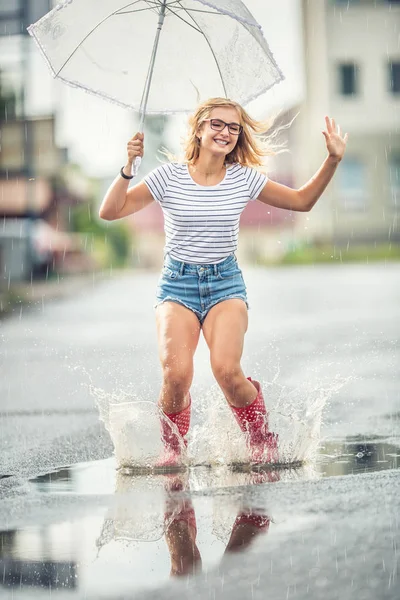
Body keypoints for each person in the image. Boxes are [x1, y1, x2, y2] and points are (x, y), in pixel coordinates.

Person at [99, 97, 348, 467]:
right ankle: (173, 450)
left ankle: (261, 438)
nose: (226, 133)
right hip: (176, 286)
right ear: (198, 128)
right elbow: (110, 211)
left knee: (227, 371)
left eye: (234, 128)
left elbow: (302, 201)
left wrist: (332, 159)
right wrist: (127, 167)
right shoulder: (168, 176)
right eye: (217, 124)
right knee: (176, 375)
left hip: (225, 284)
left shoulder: (243, 178)